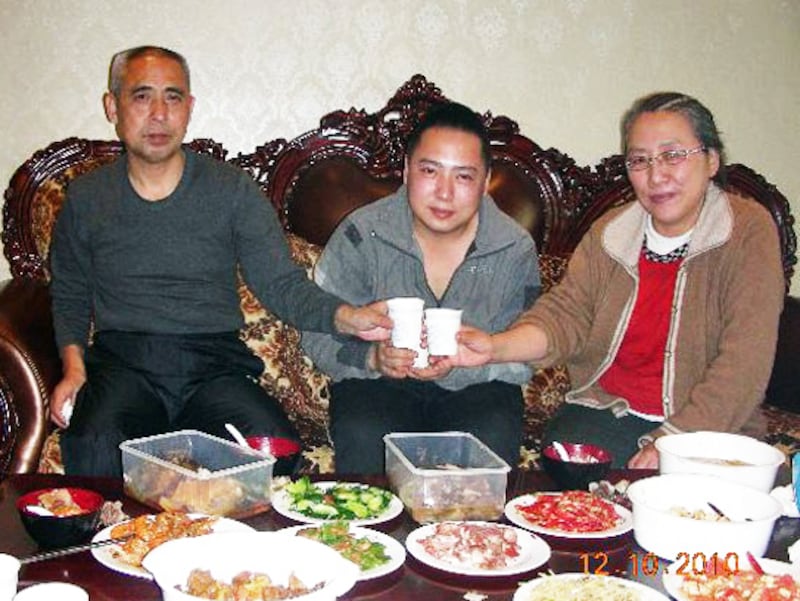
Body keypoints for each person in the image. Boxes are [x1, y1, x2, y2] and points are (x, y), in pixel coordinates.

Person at [48, 46, 391, 477]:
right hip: (124, 367)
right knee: (94, 445)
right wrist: (74, 371)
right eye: (141, 96)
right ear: (112, 106)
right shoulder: (87, 198)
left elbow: (281, 284)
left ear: (189, 108)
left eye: (173, 97)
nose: (158, 114)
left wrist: (349, 317)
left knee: (275, 452)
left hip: (211, 367)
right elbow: (70, 293)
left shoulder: (232, 190)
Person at [445, 92, 784, 469]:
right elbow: (565, 315)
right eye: (640, 160)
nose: (657, 175)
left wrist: (673, 441)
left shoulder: (747, 229)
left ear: (711, 159)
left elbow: (745, 360)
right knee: (575, 479)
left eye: (672, 155)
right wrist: (494, 346)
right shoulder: (612, 230)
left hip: (712, 424)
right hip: (609, 413)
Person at [301, 102, 541, 474]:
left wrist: (469, 363)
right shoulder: (362, 233)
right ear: (407, 171)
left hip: (478, 388)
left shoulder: (514, 247)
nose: (444, 193)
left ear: (485, 179)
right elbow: (317, 332)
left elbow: (528, 351)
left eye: (463, 176)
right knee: (364, 432)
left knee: (490, 437)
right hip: (378, 383)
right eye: (430, 171)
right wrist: (373, 358)